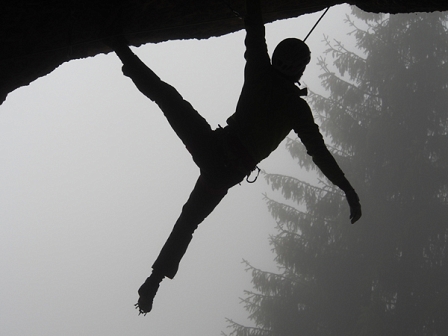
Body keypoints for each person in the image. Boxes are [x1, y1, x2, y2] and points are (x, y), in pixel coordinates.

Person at [107, 0, 361, 315]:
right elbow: (318, 153)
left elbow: (255, 31)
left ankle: (120, 48)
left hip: (212, 146)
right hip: (226, 172)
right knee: (189, 220)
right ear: (300, 69)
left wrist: (253, 7)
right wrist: (346, 188)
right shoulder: (297, 109)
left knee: (167, 97)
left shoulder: (259, 70)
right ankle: (154, 280)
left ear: (278, 60)